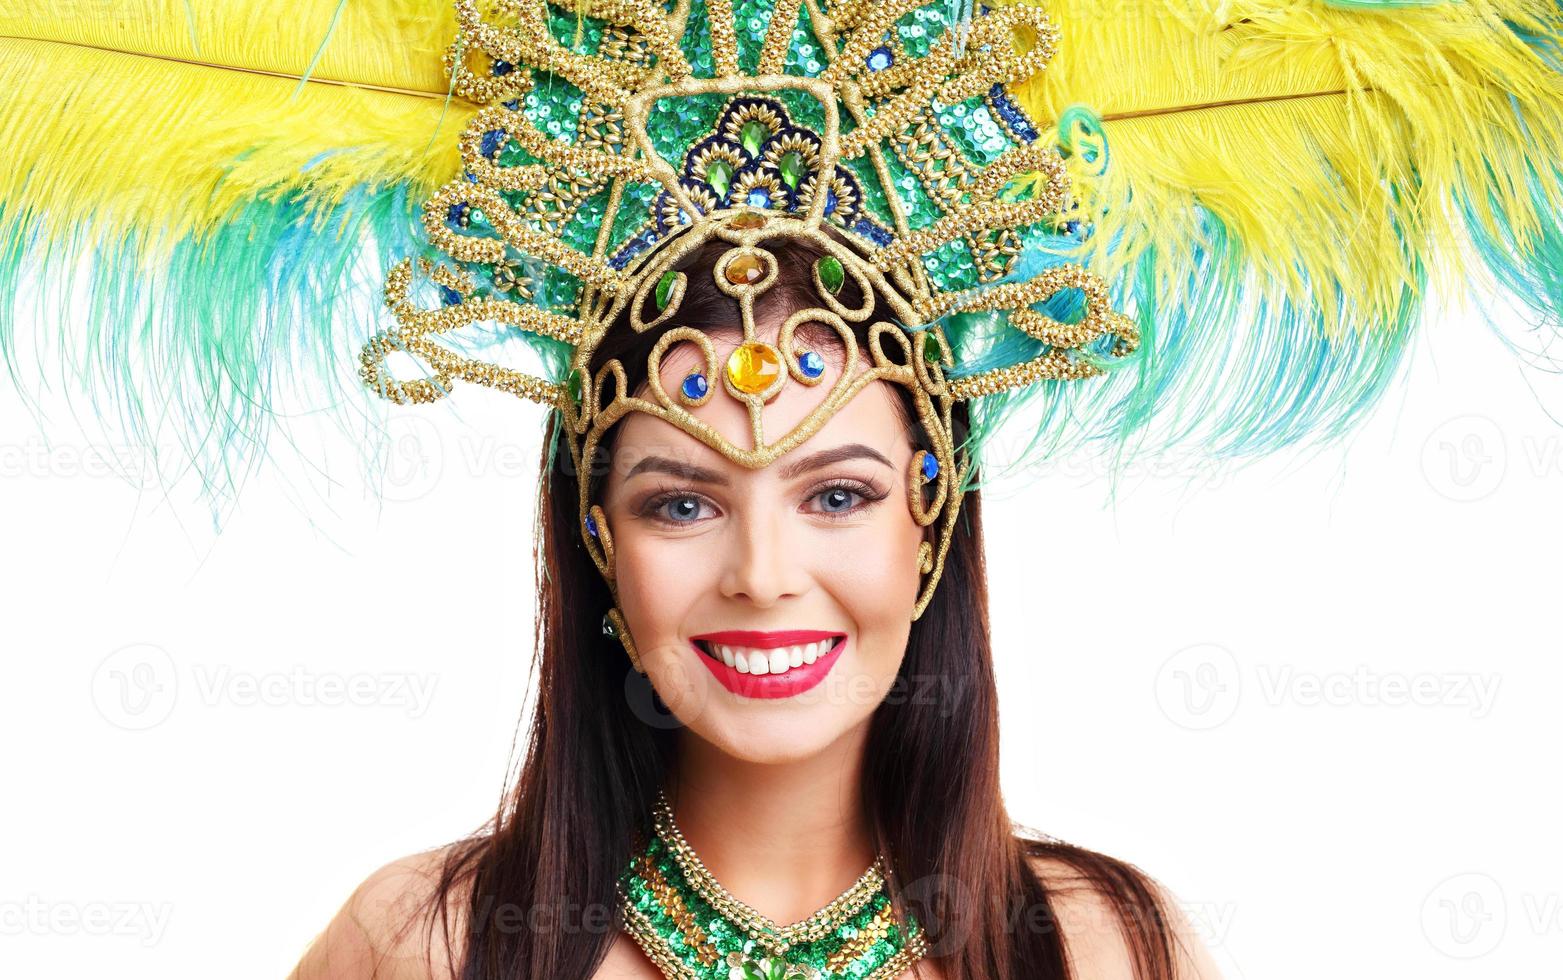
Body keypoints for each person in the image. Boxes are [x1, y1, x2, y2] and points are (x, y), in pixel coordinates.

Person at [289, 233, 1225, 980]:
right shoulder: (426, 945)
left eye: (837, 497)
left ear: (930, 524)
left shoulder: (1106, 951)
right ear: (599, 543)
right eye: (682, 505)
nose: (762, 575)